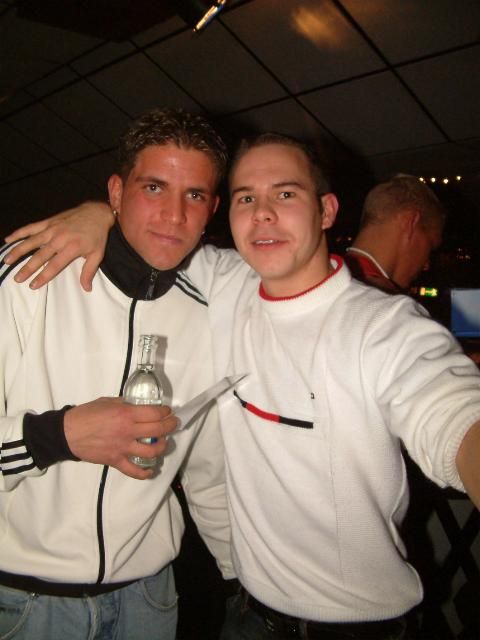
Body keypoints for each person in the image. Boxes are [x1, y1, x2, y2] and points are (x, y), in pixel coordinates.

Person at [5, 132, 480, 640]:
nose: (263, 214)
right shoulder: (219, 283)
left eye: (286, 193)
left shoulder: (385, 328)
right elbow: (150, 235)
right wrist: (97, 214)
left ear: (326, 210)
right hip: (219, 613)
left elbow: (452, 413)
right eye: (246, 198)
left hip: (339, 625)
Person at [0, 108, 234, 640]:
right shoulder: (28, 275)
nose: (174, 215)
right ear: (116, 192)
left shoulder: (211, 311)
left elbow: (208, 469)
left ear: (212, 208)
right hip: (27, 603)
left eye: (194, 195)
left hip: (149, 600)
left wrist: (236, 572)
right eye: (154, 187)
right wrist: (58, 435)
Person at [345, 174, 445, 293]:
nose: (426, 265)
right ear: (410, 223)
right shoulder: (387, 301)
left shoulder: (331, 279)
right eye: (430, 246)